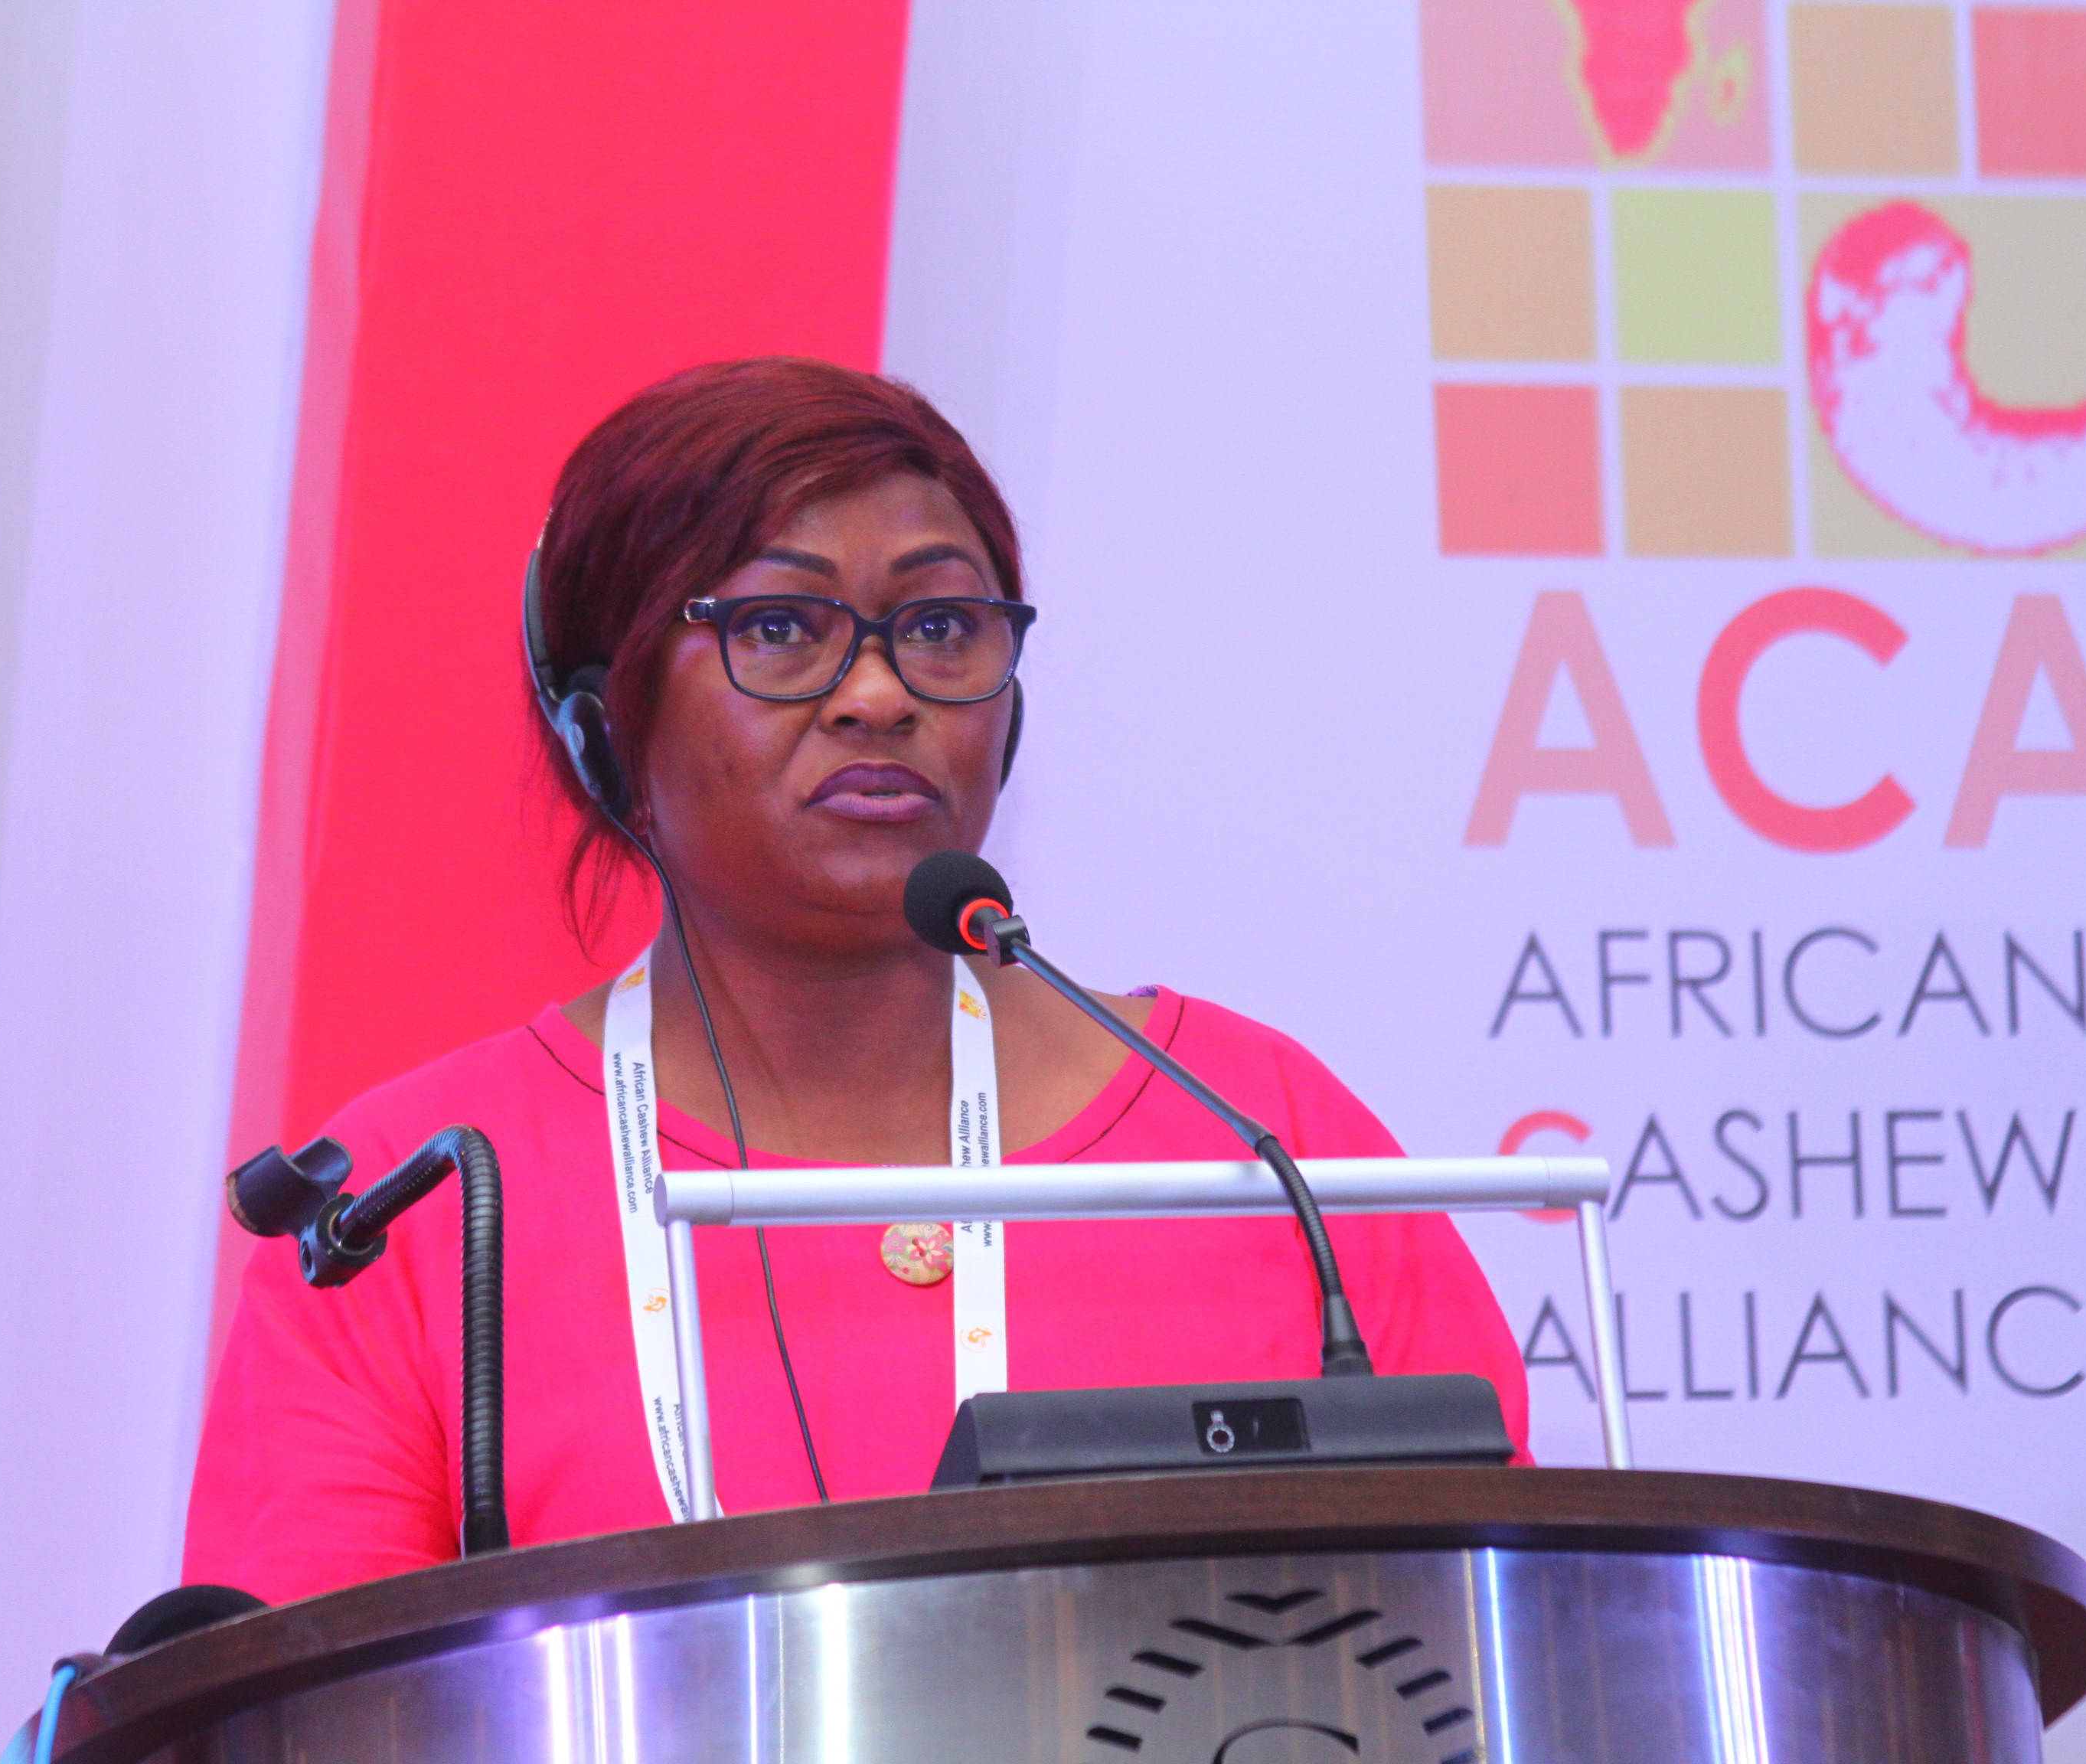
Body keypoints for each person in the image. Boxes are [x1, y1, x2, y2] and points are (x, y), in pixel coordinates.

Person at [185, 357, 1527, 1603]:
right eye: (780, 626)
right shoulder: (416, 1204)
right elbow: (309, 1710)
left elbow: (1485, 1632)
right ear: (602, 722)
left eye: (941, 625)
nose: (880, 695)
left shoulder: (1258, 1136)